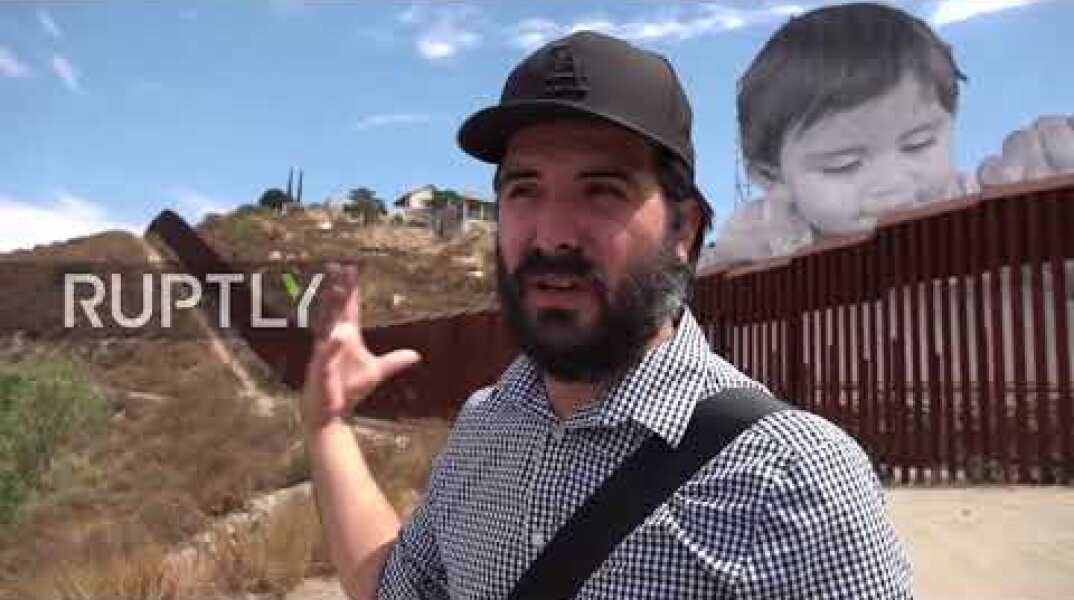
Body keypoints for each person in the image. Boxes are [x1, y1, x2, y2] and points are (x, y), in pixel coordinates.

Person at [302, 31, 912, 599]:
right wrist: (327, 426)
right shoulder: (484, 428)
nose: (554, 234)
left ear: (684, 230)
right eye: (524, 189)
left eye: (602, 190)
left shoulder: (793, 479)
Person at [707, 2, 977, 266]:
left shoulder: (972, 203)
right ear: (772, 177)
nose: (893, 184)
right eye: (844, 165)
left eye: (918, 144)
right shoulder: (763, 242)